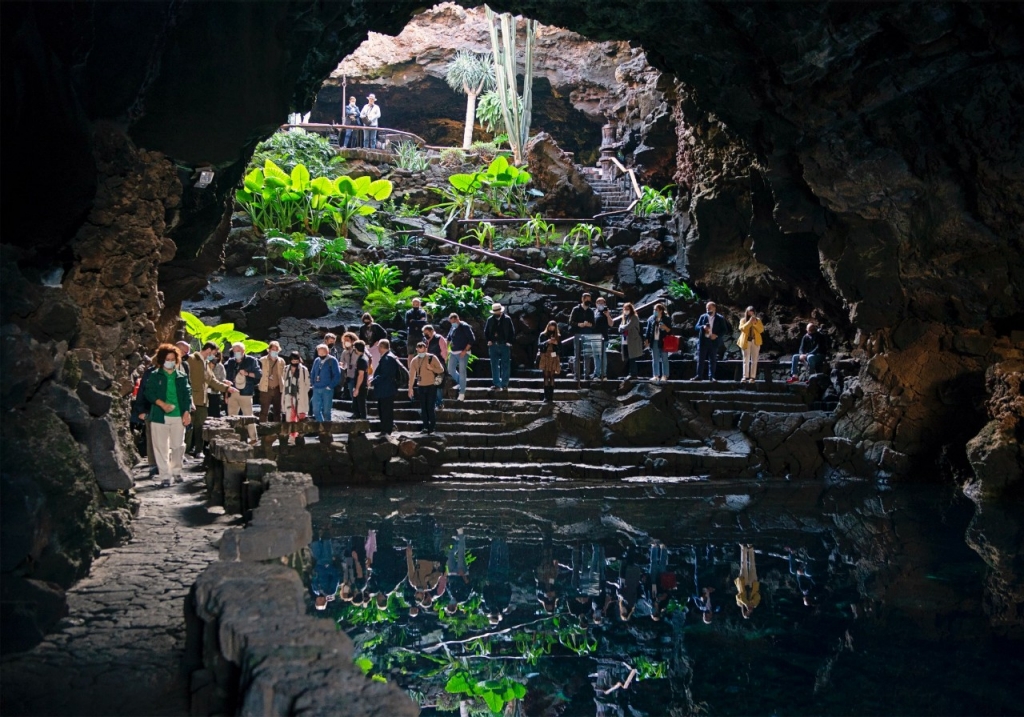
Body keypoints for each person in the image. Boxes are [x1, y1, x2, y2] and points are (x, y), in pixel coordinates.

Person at [143, 344, 193, 487]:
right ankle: (165, 476)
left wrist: (186, 412)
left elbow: (187, 395)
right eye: (167, 359)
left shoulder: (181, 376)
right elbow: (148, 393)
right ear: (161, 360)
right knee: (161, 447)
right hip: (159, 416)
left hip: (178, 415)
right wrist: (162, 404)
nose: (170, 362)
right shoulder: (154, 375)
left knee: (178, 446)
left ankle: (177, 471)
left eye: (172, 359)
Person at [184, 341, 234, 458]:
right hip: (192, 399)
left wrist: (227, 388)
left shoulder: (206, 363)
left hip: (203, 400)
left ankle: (199, 450)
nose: (214, 356)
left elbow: (212, 380)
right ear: (209, 350)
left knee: (200, 426)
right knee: (188, 426)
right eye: (214, 353)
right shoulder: (191, 359)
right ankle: (185, 451)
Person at [223, 342, 262, 445]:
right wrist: (226, 394)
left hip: (246, 393)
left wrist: (247, 373)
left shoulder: (251, 360)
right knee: (231, 416)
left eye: (238, 351)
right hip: (232, 392)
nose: (236, 353)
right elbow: (226, 378)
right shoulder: (230, 362)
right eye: (234, 351)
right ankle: (232, 438)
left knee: (248, 416)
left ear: (243, 351)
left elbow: (259, 374)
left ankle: (253, 438)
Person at [408, 341, 445, 434]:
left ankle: (432, 427)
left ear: (426, 349)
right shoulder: (414, 360)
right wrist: (410, 388)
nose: (421, 353)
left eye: (423, 351)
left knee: (430, 407)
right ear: (417, 350)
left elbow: (441, 370)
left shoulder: (432, 357)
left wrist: (432, 368)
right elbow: (412, 375)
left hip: (431, 385)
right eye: (419, 351)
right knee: (423, 408)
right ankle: (425, 426)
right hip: (421, 386)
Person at [371, 339, 403, 435]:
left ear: (382, 347)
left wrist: (373, 381)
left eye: (378, 347)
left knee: (385, 410)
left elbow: (385, 374)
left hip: (386, 389)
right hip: (386, 388)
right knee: (384, 410)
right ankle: (385, 429)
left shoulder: (387, 358)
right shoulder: (389, 357)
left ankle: (386, 430)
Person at [692, 301, 728, 382]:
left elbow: (724, 330)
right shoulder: (703, 317)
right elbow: (696, 327)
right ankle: (699, 375)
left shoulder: (720, 318)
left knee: (712, 359)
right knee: (700, 359)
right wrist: (703, 327)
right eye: (707, 308)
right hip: (703, 341)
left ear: (714, 308)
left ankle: (711, 376)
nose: (708, 309)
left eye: (709, 308)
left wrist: (716, 335)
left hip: (713, 341)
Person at [484, 302, 515, 392]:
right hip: (493, 345)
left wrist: (509, 342)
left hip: (504, 344)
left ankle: (504, 384)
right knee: (494, 365)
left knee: (505, 365)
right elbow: (486, 331)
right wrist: (489, 340)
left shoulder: (507, 319)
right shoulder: (490, 320)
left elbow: (512, 331)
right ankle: (496, 384)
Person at [281, 351, 310, 440]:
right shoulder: (286, 369)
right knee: (290, 417)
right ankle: (291, 437)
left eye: (296, 360)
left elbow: (307, 384)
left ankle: (300, 438)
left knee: (300, 417)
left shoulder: (303, 370)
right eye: (293, 360)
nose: (294, 362)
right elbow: (284, 380)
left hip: (300, 395)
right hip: (288, 395)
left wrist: (302, 392)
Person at [445, 313, 474, 401]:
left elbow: (472, 339)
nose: (452, 323)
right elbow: (448, 338)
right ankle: (461, 383)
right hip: (453, 352)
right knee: (450, 370)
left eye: (453, 321)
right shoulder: (452, 327)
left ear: (457, 319)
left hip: (463, 352)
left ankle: (462, 393)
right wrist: (446, 349)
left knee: (462, 371)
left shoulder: (464, 326)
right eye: (451, 322)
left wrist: (465, 351)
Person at [569, 293, 597, 380]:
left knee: (587, 355)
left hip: (588, 333)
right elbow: (571, 322)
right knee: (577, 355)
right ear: (583, 299)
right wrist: (579, 324)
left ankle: (586, 374)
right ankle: (576, 374)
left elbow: (594, 324)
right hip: (578, 333)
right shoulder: (576, 309)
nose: (588, 301)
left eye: (589, 299)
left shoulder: (591, 311)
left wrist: (589, 324)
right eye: (587, 299)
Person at [310, 343, 340, 423]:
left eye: (323, 353)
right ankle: (321, 426)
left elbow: (337, 375)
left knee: (326, 411)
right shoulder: (317, 360)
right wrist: (313, 383)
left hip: (327, 389)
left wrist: (330, 386)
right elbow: (313, 372)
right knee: (316, 410)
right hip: (316, 388)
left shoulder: (332, 360)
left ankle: (327, 428)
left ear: (327, 352)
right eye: (319, 353)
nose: (321, 355)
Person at [258, 341, 285, 422]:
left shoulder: (281, 361)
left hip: (278, 389)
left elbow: (284, 375)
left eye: (276, 350)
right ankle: (263, 427)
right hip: (265, 389)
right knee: (264, 411)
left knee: (278, 411)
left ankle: (277, 428)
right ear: (269, 350)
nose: (274, 351)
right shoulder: (262, 360)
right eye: (273, 349)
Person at [645, 303, 672, 383]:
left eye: (656, 310)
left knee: (664, 358)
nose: (654, 311)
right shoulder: (651, 319)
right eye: (654, 310)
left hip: (663, 340)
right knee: (655, 358)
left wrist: (665, 327)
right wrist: (646, 340)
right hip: (654, 340)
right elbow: (648, 330)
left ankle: (665, 375)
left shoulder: (666, 319)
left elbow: (670, 331)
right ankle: (656, 375)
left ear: (661, 311)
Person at [422, 325, 449, 409]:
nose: (425, 335)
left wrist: (441, 364)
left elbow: (444, 352)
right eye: (424, 333)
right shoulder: (425, 341)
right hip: (429, 365)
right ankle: (433, 403)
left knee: (438, 384)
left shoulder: (439, 338)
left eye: (426, 333)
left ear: (431, 331)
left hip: (439, 364)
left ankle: (439, 403)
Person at [737, 306, 765, 383]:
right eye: (749, 312)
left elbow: (761, 330)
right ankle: (745, 377)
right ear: (747, 312)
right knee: (746, 359)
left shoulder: (758, 320)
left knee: (754, 359)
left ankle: (752, 377)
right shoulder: (743, 320)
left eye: (752, 311)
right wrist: (749, 322)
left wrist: (755, 323)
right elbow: (742, 329)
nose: (751, 313)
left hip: (755, 341)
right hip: (746, 341)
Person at [617, 302, 643, 385]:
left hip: (633, 340)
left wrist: (622, 327)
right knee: (628, 357)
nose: (626, 310)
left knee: (632, 357)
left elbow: (627, 326)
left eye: (627, 309)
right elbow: (619, 328)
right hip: (625, 340)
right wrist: (622, 327)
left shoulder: (634, 317)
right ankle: (630, 373)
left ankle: (634, 374)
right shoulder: (624, 318)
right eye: (625, 309)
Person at [735, 543, 760, 619]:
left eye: (746, 613)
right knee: (752, 566)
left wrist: (746, 604)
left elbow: (740, 596)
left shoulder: (740, 604)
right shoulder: (755, 604)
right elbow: (758, 596)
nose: (748, 611)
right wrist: (752, 603)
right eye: (749, 613)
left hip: (743, 584)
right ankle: (751, 548)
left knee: (743, 566)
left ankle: (743, 548)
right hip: (752, 585)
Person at [538, 320, 561, 402]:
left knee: (552, 375)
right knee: (545, 375)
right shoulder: (543, 335)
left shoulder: (558, 336)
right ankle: (546, 396)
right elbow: (539, 345)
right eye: (550, 326)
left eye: (553, 327)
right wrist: (547, 342)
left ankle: (551, 396)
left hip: (553, 355)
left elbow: (561, 349)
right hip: (545, 355)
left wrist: (556, 344)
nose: (551, 328)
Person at [593, 297, 612, 381]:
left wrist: (608, 315)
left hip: (603, 337)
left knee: (602, 356)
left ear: (605, 304)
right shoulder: (594, 312)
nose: (600, 304)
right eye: (598, 302)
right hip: (594, 337)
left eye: (602, 303)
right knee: (596, 356)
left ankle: (603, 374)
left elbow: (611, 324)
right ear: (596, 304)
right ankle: (596, 374)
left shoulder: (606, 312)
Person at [337, 331, 359, 400]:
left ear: (353, 341)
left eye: (347, 340)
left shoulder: (358, 350)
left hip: (357, 375)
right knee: (351, 393)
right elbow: (342, 362)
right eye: (344, 340)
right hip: (349, 375)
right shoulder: (344, 352)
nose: (346, 342)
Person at [351, 340, 369, 420]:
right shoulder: (364, 357)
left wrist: (357, 388)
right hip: (362, 384)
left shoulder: (362, 359)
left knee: (361, 404)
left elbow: (361, 375)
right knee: (359, 404)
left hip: (361, 386)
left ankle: (363, 421)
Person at [207, 350, 227, 418]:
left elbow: (223, 379)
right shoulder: (204, 364)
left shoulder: (220, 366)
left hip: (215, 393)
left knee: (215, 414)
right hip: (205, 394)